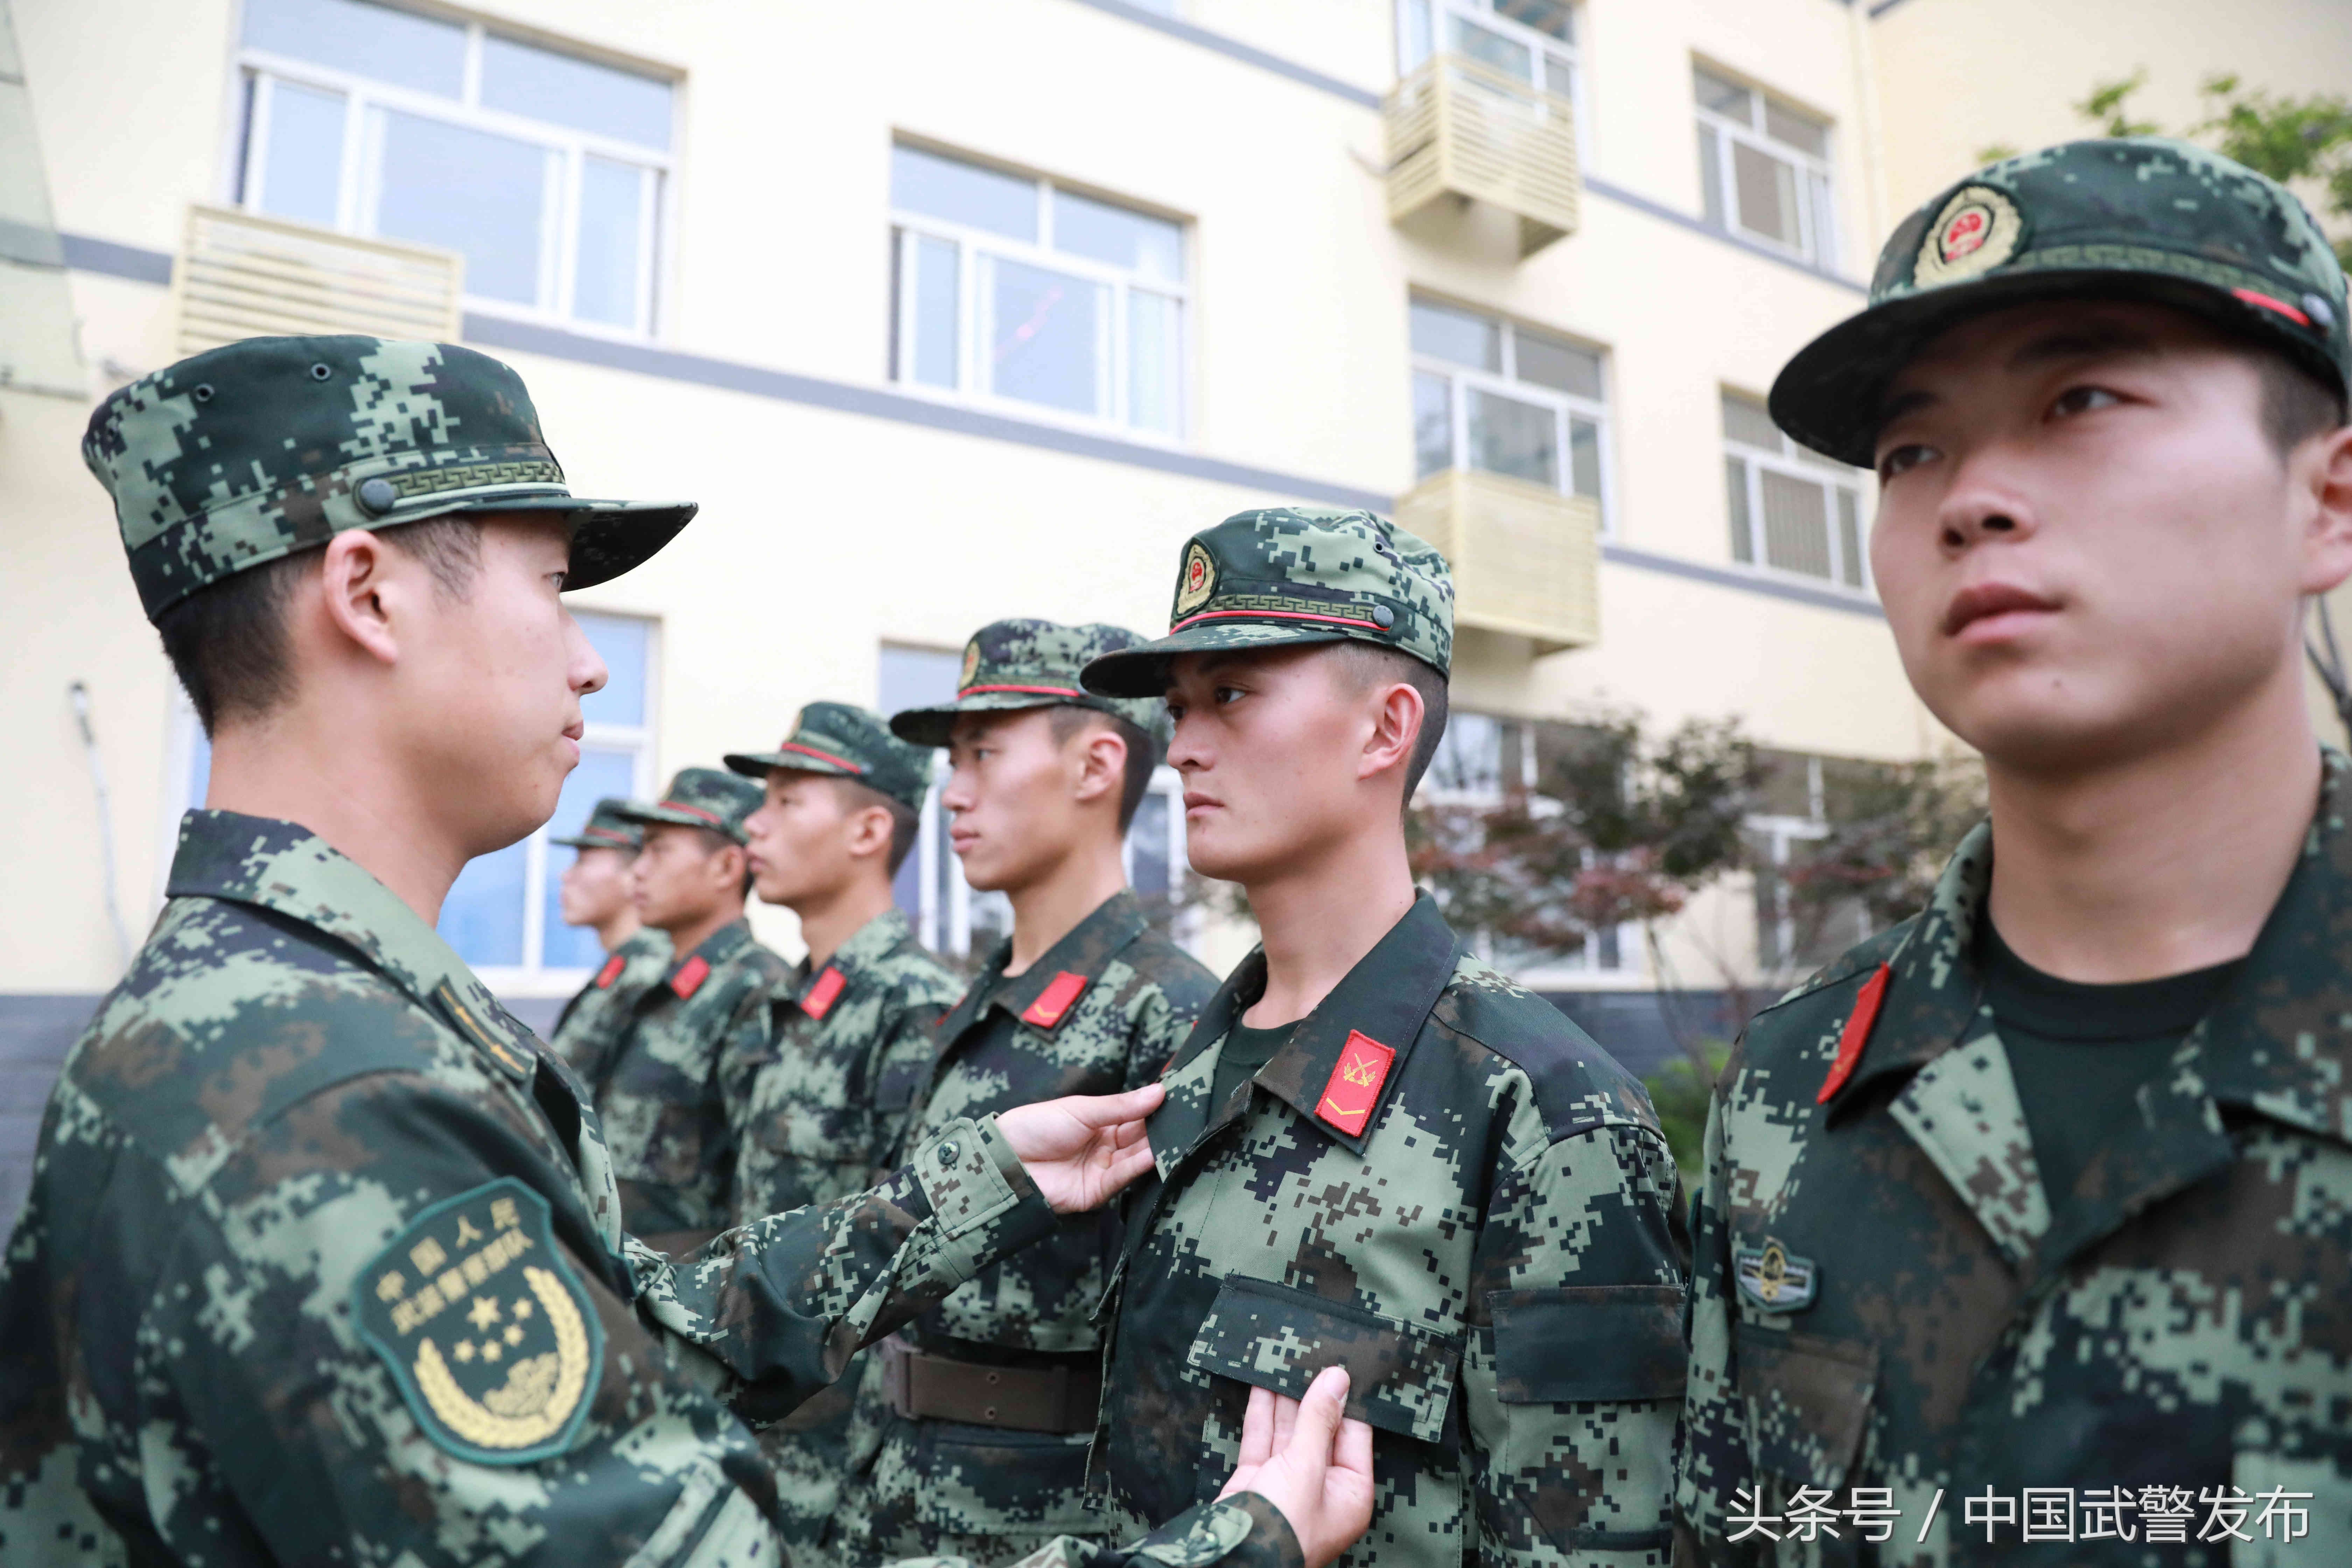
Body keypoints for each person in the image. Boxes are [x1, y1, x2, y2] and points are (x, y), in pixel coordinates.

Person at [0, 334, 1372, 1568]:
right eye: (553, 586)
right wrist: (1236, 1552)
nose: (591, 662)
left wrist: (969, 1190)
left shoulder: (289, 1020)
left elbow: (632, 1333)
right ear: (369, 593)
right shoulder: (327, 1096)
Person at [1675, 138, 2352, 1565]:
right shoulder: (1803, 1080)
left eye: (2080, 398)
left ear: (2329, 500)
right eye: (1915, 449)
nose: (1970, 498)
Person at [1076, 507, 1692, 1568]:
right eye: (1176, 707)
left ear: (1382, 728)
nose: (1178, 747)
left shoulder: (1543, 1112)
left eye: (1228, 694)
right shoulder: (1175, 1066)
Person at [828, 620, 1220, 1567]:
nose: (953, 793)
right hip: (893, 1483)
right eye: (951, 761)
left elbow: (1182, 1359)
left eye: (983, 753)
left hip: (1041, 1522)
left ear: (1095, 766)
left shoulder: (1169, 1012)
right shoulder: (986, 993)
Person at [720, 702, 965, 1550]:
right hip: (752, 1444)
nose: (755, 822)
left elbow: (920, 1264)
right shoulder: (781, 1002)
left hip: (842, 1478)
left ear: (868, 831)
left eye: (789, 802)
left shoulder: (919, 1012)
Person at [597, 767, 790, 1252]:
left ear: (726, 868)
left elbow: (761, 1191)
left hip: (681, 1282)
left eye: (659, 850)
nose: (637, 870)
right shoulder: (652, 983)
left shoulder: (758, 989)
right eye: (641, 849)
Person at [546, 795, 670, 1069]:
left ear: (633, 876)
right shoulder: (626, 966)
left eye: (583, 861)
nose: (566, 876)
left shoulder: (649, 971)